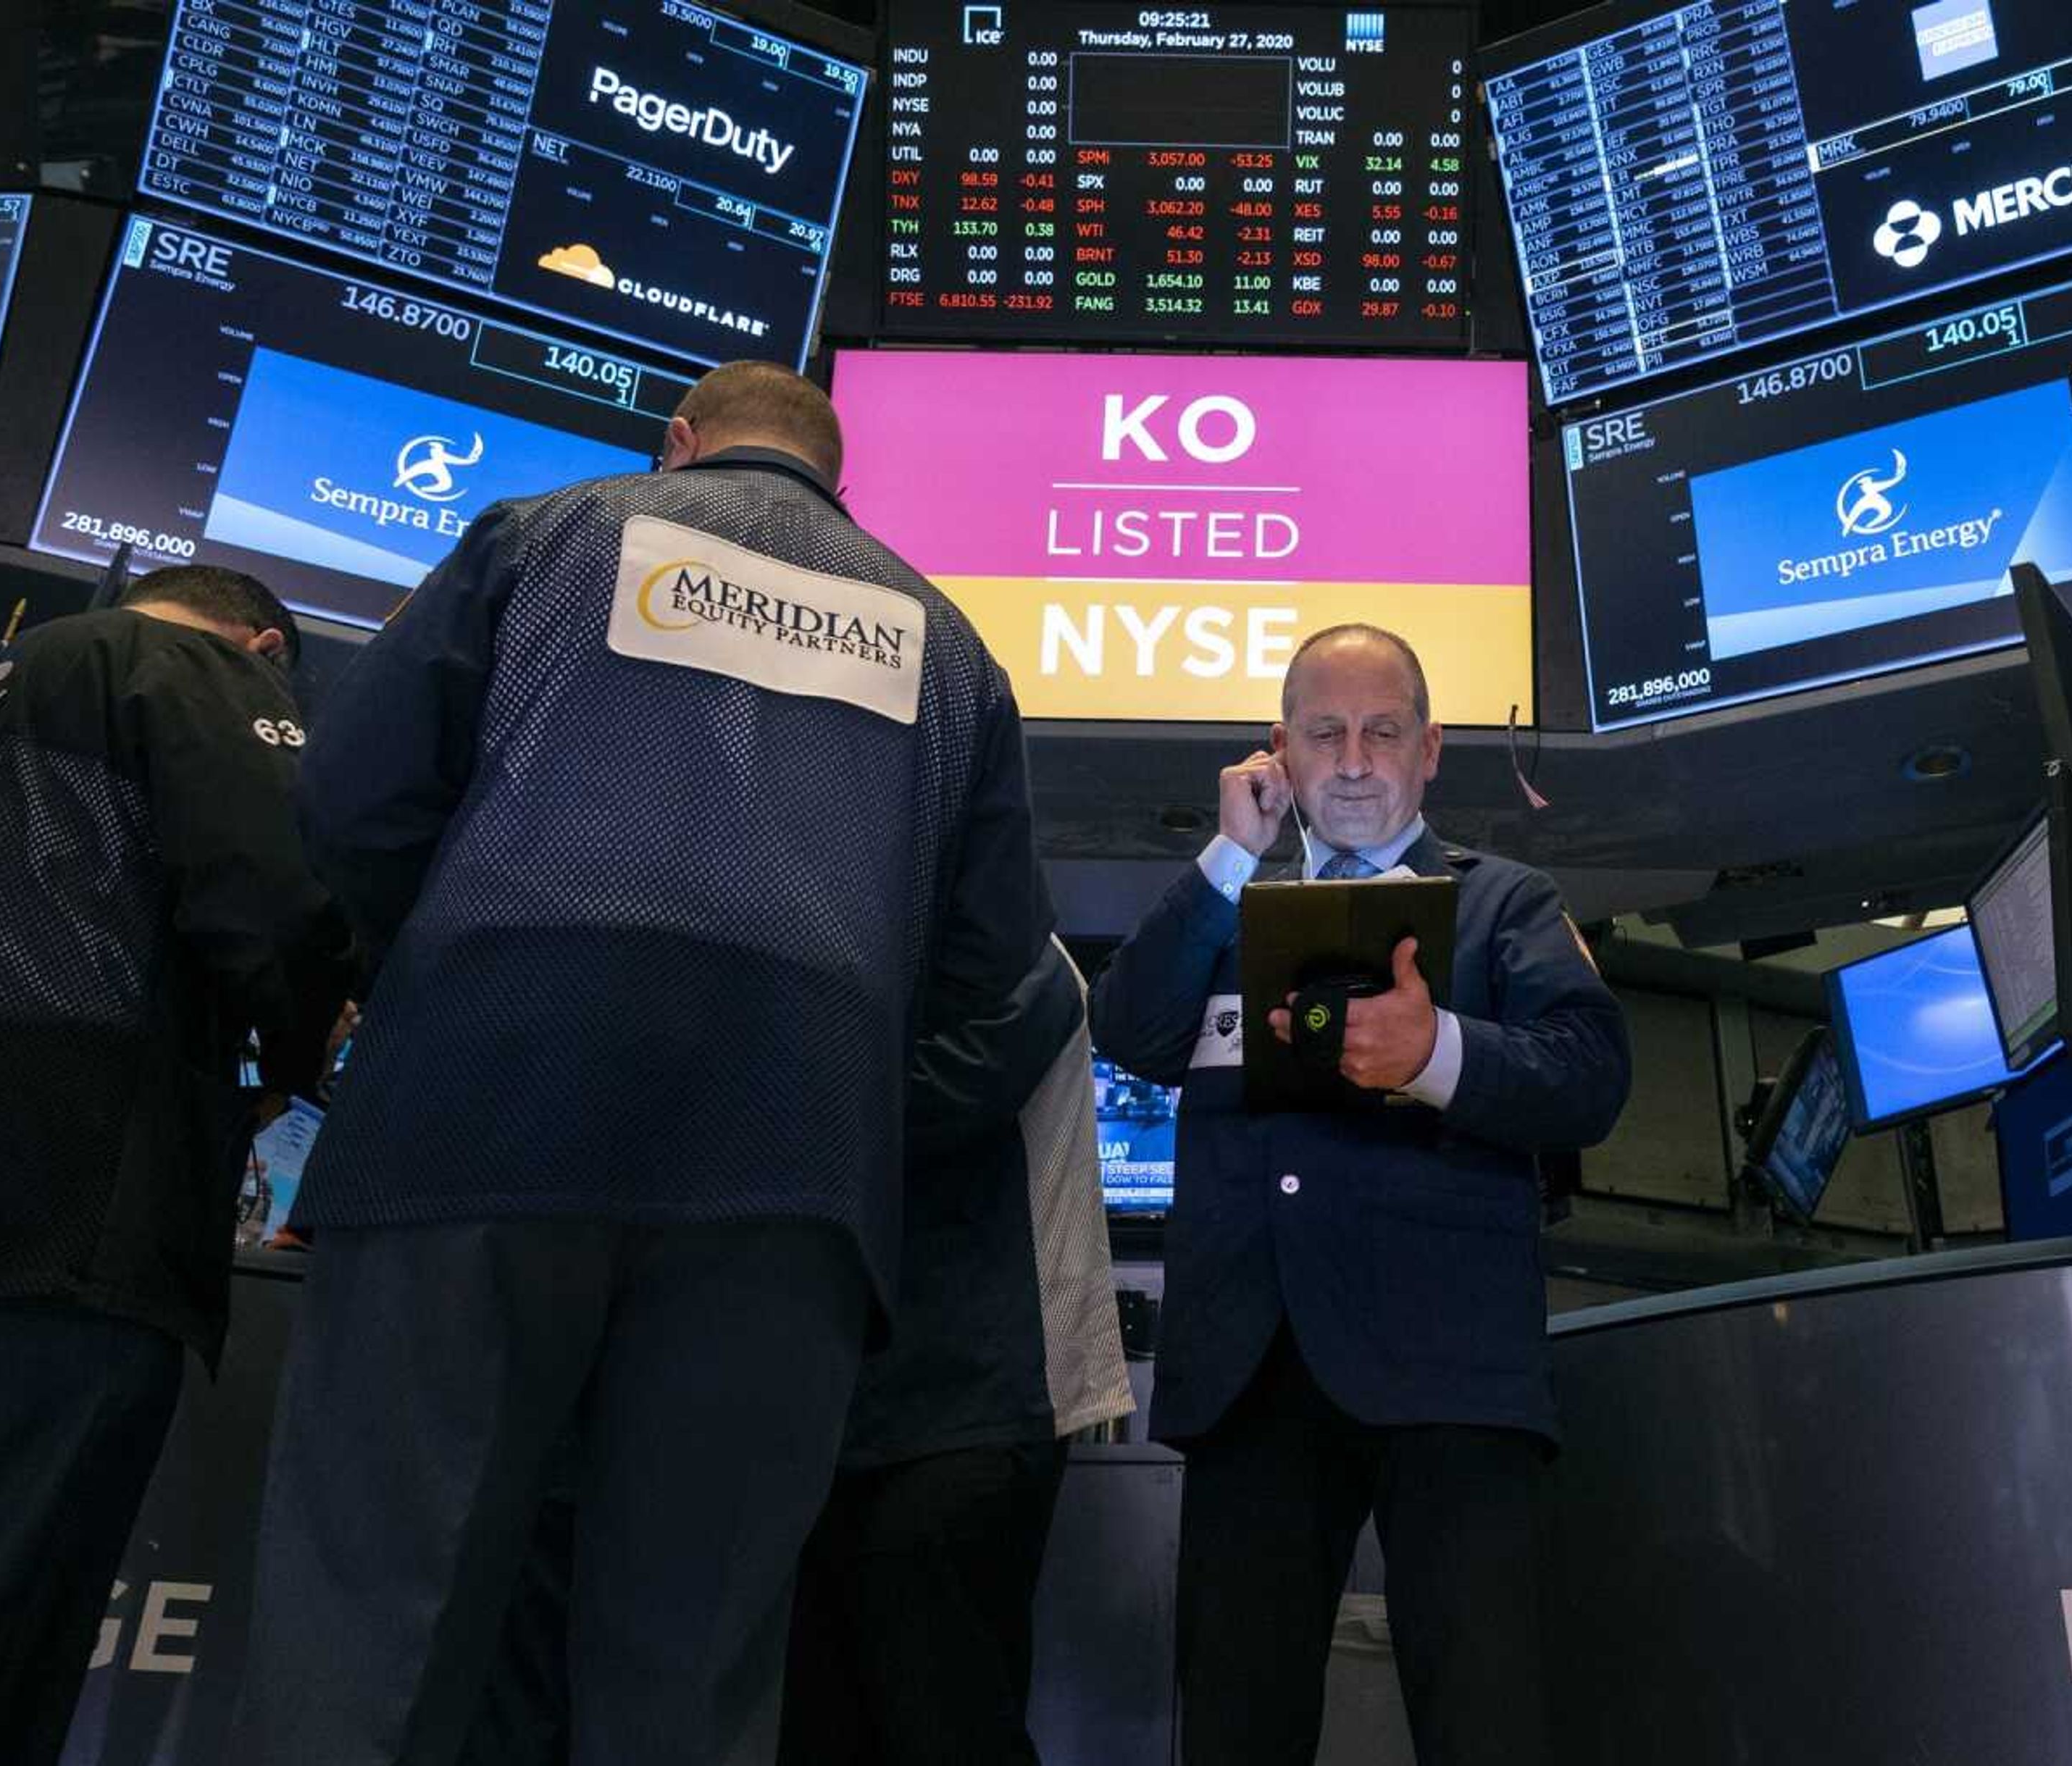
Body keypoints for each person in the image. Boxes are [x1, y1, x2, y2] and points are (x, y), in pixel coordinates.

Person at [227, 360, 1053, 1766]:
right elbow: (998, 972)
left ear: (678, 446)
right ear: (834, 484)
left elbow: (349, 797)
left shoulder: (542, 533)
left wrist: (422, 968)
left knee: (381, 1617)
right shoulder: (951, 646)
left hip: (481, 1111)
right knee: (693, 1663)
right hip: (790, 1178)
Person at [1087, 624, 1633, 1766]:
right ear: (1277, 752)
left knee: (1484, 1721)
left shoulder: (1501, 905)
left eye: (1381, 732)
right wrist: (1229, 858)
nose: (1351, 759)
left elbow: (1591, 1076)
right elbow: (1129, 1030)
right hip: (1254, 1370)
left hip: (1452, 1373)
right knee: (1237, 1724)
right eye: (1323, 733)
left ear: (1429, 750)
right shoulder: (1223, 907)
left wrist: (1438, 1051)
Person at [0, 566, 347, 1766]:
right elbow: (279, 900)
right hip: (64, 1218)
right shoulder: (195, 668)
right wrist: (300, 1049)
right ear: (265, 646)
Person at [780, 936, 1135, 1765]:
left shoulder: (1020, 956)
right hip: (835, 1400)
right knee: (821, 1723)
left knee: (946, 1715)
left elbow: (919, 1105)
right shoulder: (856, 936)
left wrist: (761, 1076)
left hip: (977, 1398)